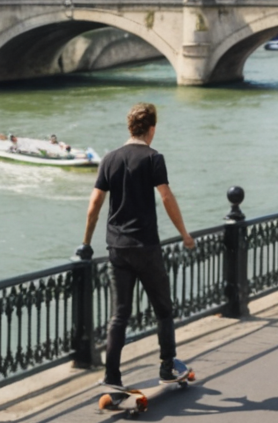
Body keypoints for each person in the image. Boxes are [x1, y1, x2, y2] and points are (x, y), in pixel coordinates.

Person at [82, 102, 196, 388]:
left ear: (129, 127)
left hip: (117, 249)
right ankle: (167, 367)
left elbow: (95, 204)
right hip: (145, 246)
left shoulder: (109, 158)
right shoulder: (153, 158)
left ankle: (111, 376)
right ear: (152, 129)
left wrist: (86, 242)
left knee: (119, 315)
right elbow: (166, 197)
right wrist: (184, 233)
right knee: (163, 309)